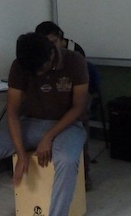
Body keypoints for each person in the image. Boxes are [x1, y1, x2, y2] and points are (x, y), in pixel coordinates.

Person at [0, 32, 88, 216]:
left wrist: (49, 136)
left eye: (41, 68)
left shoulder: (75, 61)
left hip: (68, 126)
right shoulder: (21, 65)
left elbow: (79, 107)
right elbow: (13, 111)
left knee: (66, 159)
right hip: (30, 123)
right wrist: (21, 153)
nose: (38, 73)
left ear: (51, 53)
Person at [35, 21, 94, 190]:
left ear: (61, 38)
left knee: (79, 124)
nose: (50, 48)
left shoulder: (76, 52)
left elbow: (82, 87)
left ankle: (84, 175)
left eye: (53, 42)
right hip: (54, 94)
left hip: (76, 93)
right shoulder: (41, 54)